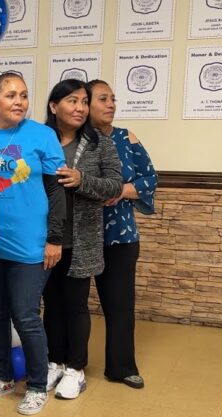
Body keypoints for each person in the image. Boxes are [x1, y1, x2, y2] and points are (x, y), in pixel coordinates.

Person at [0, 72, 65, 415]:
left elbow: (56, 189)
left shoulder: (43, 135)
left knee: (25, 315)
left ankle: (36, 385)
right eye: (10, 95)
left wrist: (55, 238)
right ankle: (3, 376)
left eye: (23, 95)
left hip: (31, 245)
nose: (19, 101)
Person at [41, 79, 123, 400]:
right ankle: (54, 362)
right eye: (72, 101)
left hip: (81, 239)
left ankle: (76, 368)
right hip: (46, 238)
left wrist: (82, 180)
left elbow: (115, 185)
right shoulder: (40, 139)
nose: (80, 108)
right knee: (51, 304)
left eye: (84, 102)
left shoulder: (100, 142)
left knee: (75, 305)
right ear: (54, 106)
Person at [86, 79, 158, 389]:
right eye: (103, 98)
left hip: (120, 235)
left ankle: (121, 367)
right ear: (84, 104)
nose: (111, 104)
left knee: (120, 305)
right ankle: (66, 364)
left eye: (113, 98)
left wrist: (121, 191)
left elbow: (150, 177)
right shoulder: (71, 140)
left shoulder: (126, 137)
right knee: (69, 305)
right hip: (79, 234)